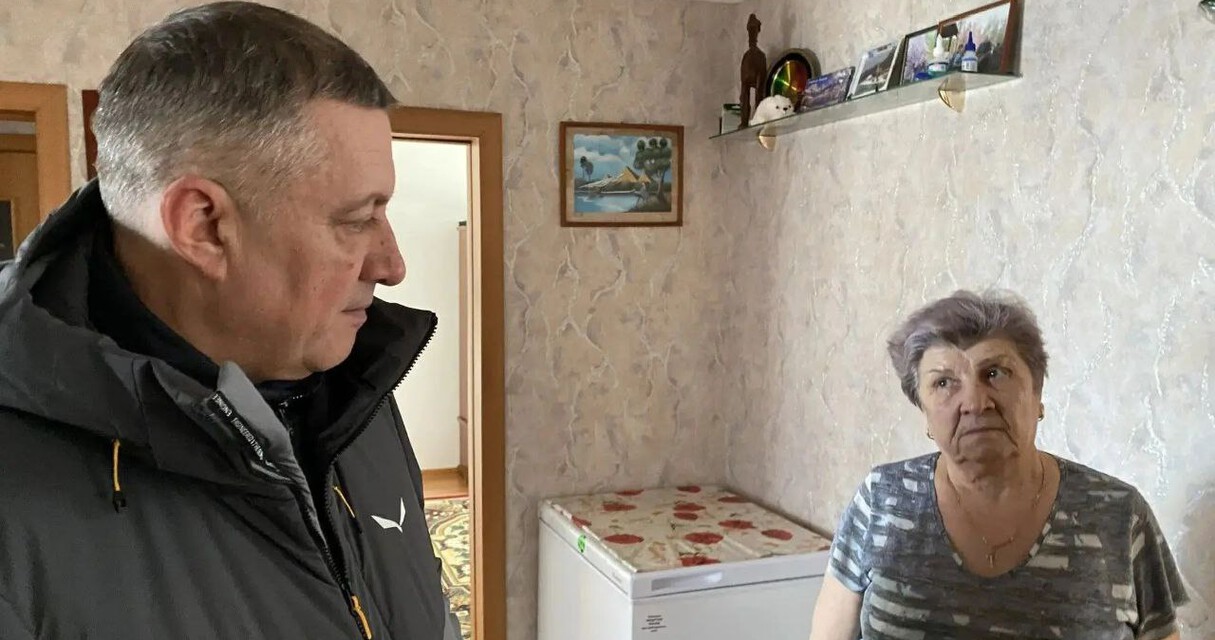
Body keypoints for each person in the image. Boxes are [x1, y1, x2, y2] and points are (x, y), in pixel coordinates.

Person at [0, 3, 461, 638]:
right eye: (357, 220)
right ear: (205, 227)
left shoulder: (352, 375)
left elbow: (417, 597)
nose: (392, 265)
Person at [809, 290, 1189, 640]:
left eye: (995, 373)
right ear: (924, 412)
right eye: (944, 383)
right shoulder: (881, 500)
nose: (975, 402)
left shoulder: (1119, 514)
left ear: (1037, 395)